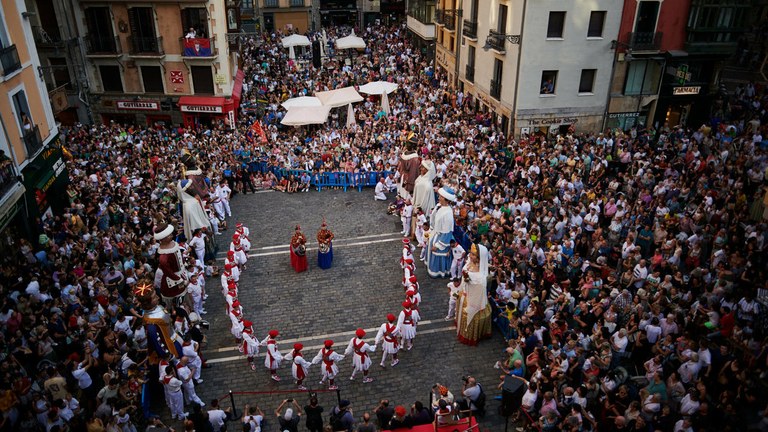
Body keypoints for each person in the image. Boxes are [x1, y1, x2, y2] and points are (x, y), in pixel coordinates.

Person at [455, 244, 492, 345]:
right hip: (465, 293)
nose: (470, 256)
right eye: (471, 253)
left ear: (480, 258)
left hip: (474, 299)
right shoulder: (469, 262)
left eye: (474, 255)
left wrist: (469, 281)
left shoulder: (482, 274)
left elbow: (479, 287)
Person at [154, 223, 189, 307]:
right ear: (163, 239)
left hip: (181, 273)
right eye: (168, 235)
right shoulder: (163, 257)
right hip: (174, 280)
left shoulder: (172, 243)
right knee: (179, 303)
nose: (171, 236)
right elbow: (168, 272)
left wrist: (183, 262)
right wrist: (180, 280)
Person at [426, 186, 456, 277]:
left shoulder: (448, 214)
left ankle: (439, 272)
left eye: (441, 196)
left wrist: (438, 245)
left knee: (437, 255)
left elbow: (447, 232)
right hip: (435, 234)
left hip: (440, 238)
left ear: (446, 199)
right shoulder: (439, 206)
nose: (438, 197)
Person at [412, 159, 437, 234]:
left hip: (421, 207)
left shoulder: (428, 184)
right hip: (417, 202)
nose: (420, 168)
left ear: (427, 170)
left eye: (422, 167)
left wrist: (419, 208)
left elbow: (426, 200)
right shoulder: (420, 177)